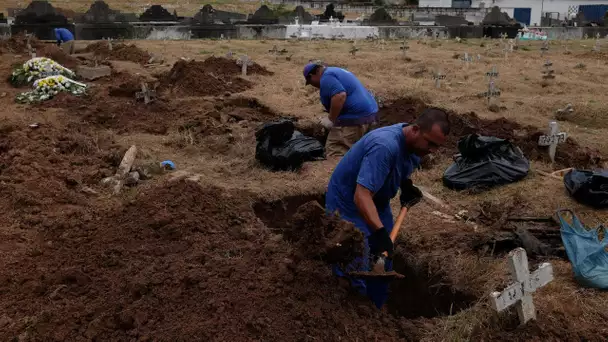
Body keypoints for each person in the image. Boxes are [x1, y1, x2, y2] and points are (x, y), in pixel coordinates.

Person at [325, 108, 450, 308]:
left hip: (376, 201)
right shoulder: (384, 146)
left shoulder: (415, 146)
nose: (432, 151)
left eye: (437, 146)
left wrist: (405, 186)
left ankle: (376, 310)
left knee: (384, 259)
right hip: (348, 202)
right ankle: (352, 309)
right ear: (415, 129)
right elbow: (362, 195)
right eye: (431, 143)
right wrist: (380, 232)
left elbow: (398, 167)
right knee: (356, 259)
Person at [303, 63, 378, 157]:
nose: (313, 85)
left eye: (310, 82)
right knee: (359, 152)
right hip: (369, 115)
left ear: (311, 75)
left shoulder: (326, 77)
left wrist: (330, 119)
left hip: (354, 118)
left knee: (336, 151)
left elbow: (340, 95)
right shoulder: (336, 71)